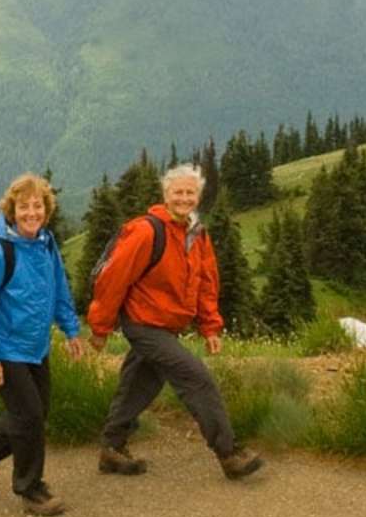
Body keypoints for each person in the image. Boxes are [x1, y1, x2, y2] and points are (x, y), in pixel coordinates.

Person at [87, 163, 264, 480]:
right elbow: (113, 279)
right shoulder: (146, 231)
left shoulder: (196, 234)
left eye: (190, 192)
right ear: (166, 194)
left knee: (140, 383)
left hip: (167, 325)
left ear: (198, 196)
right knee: (196, 378)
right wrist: (100, 327)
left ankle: (111, 449)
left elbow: (207, 282)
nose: (184, 198)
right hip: (143, 322)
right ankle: (229, 453)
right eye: (178, 192)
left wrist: (210, 326)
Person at [0, 172, 84, 516]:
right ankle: (31, 489)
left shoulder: (46, 244)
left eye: (38, 206)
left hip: (36, 347)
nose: (32, 213)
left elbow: (59, 287)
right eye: (24, 207)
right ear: (11, 210)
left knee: (35, 412)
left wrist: (72, 330)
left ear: (46, 209)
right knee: (29, 414)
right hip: (5, 349)